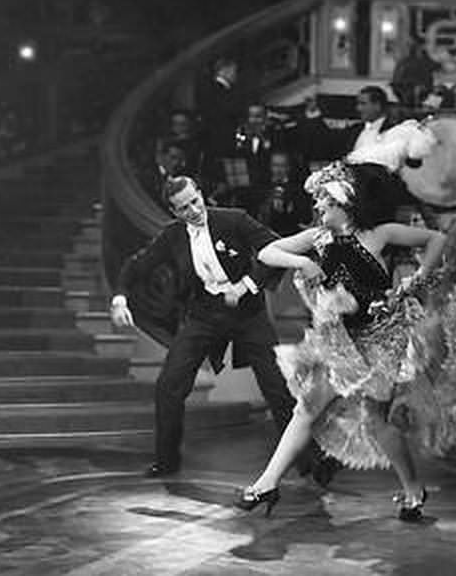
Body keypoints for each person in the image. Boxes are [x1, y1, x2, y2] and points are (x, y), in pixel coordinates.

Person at [234, 143, 456, 521]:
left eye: (323, 202)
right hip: (339, 340)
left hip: (381, 338)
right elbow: (268, 253)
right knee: (307, 408)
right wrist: (303, 261)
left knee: (377, 421)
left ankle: (414, 489)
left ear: (343, 205)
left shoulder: (380, 234)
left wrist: (416, 279)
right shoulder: (318, 238)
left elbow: (436, 240)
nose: (317, 208)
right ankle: (267, 483)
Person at [110, 176, 331, 481]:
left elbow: (273, 249)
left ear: (201, 195)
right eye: (184, 208)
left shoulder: (233, 220)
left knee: (277, 388)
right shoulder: (172, 236)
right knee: (169, 386)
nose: (193, 210)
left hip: (248, 315)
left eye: (195, 201)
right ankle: (166, 461)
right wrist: (121, 297)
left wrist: (246, 285)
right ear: (175, 212)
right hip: (204, 315)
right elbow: (137, 265)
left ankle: (311, 462)